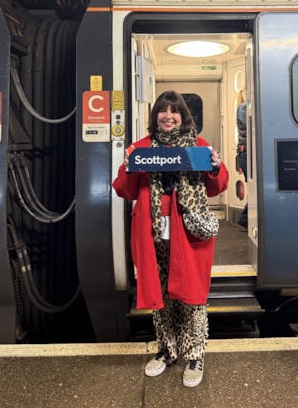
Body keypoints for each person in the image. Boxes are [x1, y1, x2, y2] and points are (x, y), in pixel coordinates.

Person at [112, 90, 229, 388]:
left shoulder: (199, 147)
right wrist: (127, 166)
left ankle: (195, 353)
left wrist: (215, 166)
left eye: (174, 111)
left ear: (183, 116)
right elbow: (123, 190)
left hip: (188, 230)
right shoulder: (140, 149)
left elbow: (218, 186)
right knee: (160, 294)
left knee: (191, 292)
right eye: (162, 111)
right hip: (151, 230)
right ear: (155, 117)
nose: (168, 116)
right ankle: (167, 349)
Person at [236, 91, 248, 228]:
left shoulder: (243, 108)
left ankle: (245, 217)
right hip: (247, 152)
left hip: (246, 152)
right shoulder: (244, 108)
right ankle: (245, 218)